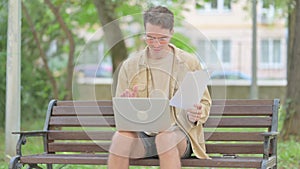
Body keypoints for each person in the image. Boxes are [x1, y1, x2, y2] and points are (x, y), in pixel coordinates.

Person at [108, 6, 211, 169]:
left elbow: (204, 103)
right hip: (145, 135)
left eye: (162, 38)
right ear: (144, 32)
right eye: (150, 37)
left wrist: (197, 113)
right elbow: (121, 115)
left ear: (171, 32)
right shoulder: (130, 66)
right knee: (120, 139)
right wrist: (127, 104)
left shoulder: (189, 62)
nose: (156, 44)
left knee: (165, 138)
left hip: (179, 136)